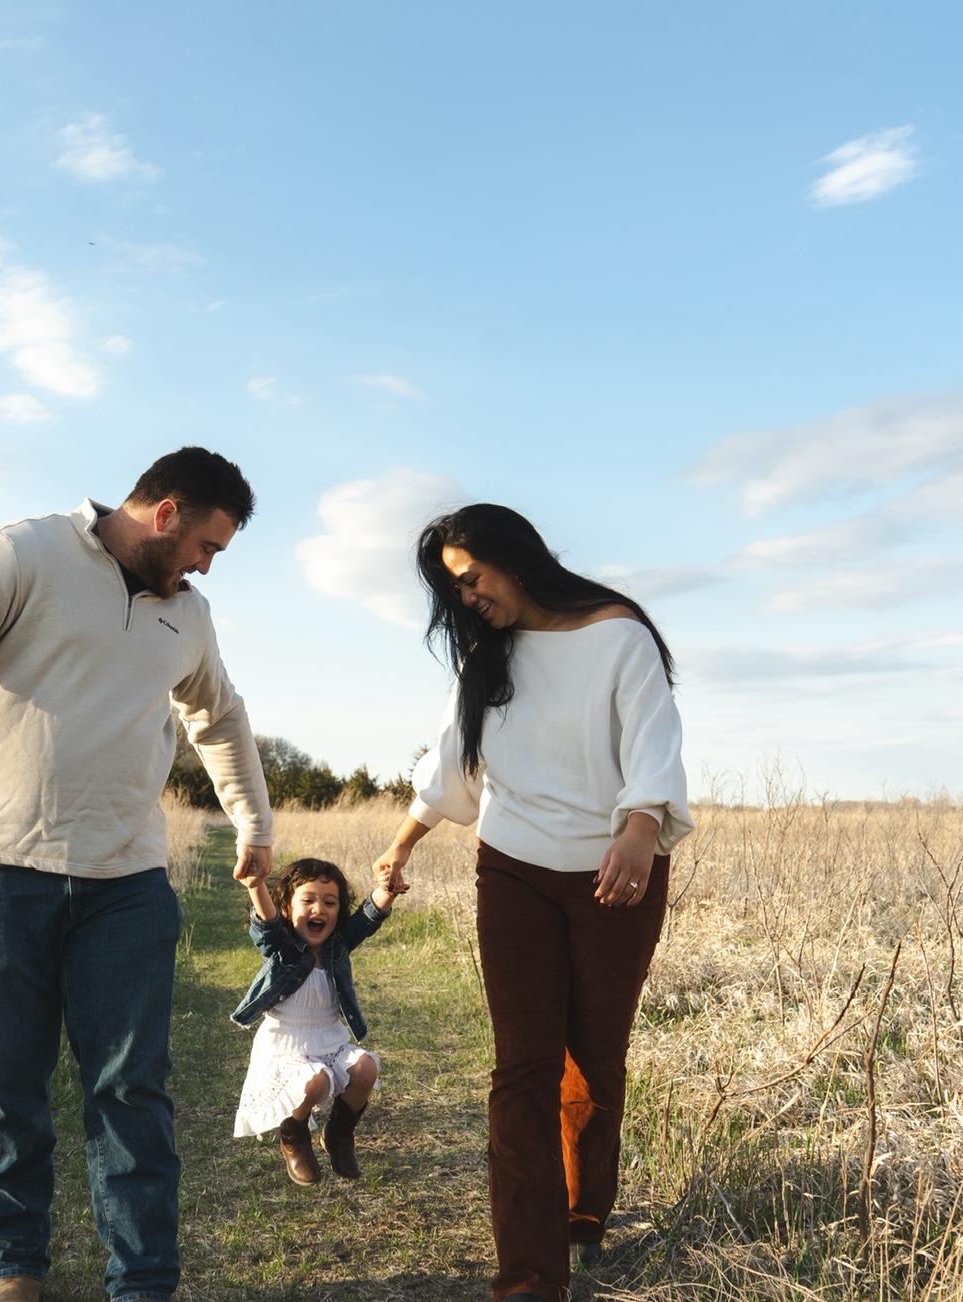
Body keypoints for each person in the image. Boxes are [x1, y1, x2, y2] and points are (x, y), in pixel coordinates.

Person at [0, 447, 274, 1302]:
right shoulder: (25, 551)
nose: (208, 566)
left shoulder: (190, 615)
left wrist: (255, 824)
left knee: (131, 1090)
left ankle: (143, 1282)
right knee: (5, 1088)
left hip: (126, 882)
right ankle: (14, 1268)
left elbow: (219, 718)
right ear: (164, 514)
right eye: (206, 545)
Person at [374, 504, 693, 1302]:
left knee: (595, 1056)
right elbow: (453, 761)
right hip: (513, 868)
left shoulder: (619, 634)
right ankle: (528, 1277)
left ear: (514, 558)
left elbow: (655, 740)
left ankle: (584, 1213)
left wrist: (640, 828)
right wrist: (403, 843)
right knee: (523, 1069)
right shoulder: (487, 655)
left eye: (472, 578)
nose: (467, 598)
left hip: (615, 872)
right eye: (455, 590)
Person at [231, 857, 401, 1185]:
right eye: (307, 900)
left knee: (366, 1070)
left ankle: (338, 1133)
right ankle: (294, 1136)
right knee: (315, 1083)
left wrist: (387, 891)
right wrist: (256, 885)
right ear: (286, 907)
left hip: (328, 1038)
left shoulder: (338, 945)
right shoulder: (283, 946)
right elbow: (266, 925)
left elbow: (367, 919)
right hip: (286, 1044)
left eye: (329, 902)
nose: (318, 909)